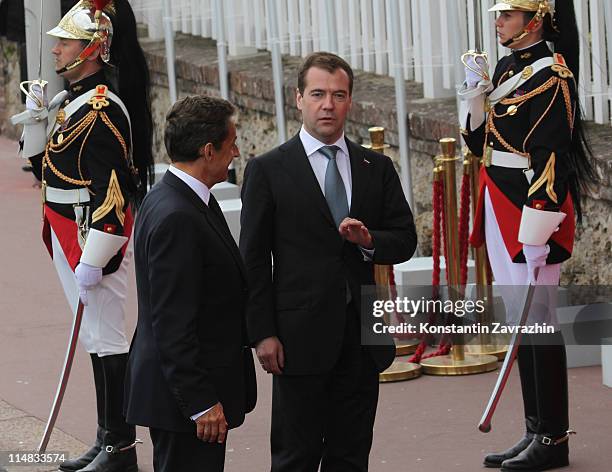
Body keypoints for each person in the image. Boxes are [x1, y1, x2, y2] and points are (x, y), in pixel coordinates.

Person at [239, 51, 417, 472]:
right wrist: (262, 333)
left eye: (338, 95)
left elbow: (405, 239)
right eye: (318, 94)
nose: (328, 104)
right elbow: (252, 260)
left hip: (361, 339)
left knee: (351, 455)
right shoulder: (268, 170)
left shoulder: (376, 166)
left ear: (350, 101)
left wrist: (370, 240)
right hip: (297, 340)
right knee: (295, 457)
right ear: (299, 99)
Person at [10, 1, 153, 470]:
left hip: (93, 237)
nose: (55, 48)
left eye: (66, 41)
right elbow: (45, 170)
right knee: (93, 337)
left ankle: (120, 448)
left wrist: (99, 255)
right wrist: (35, 121)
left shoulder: (100, 109)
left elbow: (113, 191)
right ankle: (105, 437)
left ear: (91, 50)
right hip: (68, 231)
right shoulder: (70, 101)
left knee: (108, 338)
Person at [459, 1, 597, 470]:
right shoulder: (506, 66)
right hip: (498, 198)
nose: (497, 23)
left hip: (530, 208)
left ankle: (553, 438)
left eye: (506, 16)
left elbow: (551, 157)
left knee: (538, 322)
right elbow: (481, 145)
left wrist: (539, 226)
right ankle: (534, 428)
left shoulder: (553, 76)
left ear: (533, 21)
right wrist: (476, 96)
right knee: (520, 319)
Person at [124, 95, 257, 472]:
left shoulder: (179, 198)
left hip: (183, 396)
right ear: (208, 150)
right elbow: (173, 322)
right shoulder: (178, 216)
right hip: (184, 403)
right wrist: (200, 402)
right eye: (231, 142)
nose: (236, 152)